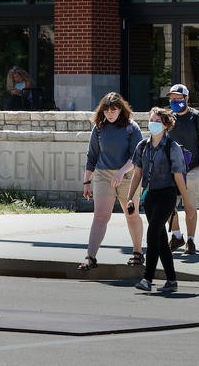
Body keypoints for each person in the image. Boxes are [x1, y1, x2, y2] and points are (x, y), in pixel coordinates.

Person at [128, 107, 192, 293]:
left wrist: (186, 202)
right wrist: (131, 197)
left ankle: (147, 278)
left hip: (167, 194)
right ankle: (171, 280)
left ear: (165, 125)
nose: (153, 124)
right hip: (151, 196)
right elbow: (137, 173)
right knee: (161, 240)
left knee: (153, 231)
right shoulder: (143, 146)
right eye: (151, 120)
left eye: (157, 121)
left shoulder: (171, 147)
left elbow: (178, 176)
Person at [78, 92, 144, 271]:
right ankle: (90, 257)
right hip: (103, 175)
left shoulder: (132, 127)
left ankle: (138, 253)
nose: (110, 114)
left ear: (121, 110)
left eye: (114, 110)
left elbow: (137, 156)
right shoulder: (99, 127)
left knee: (131, 215)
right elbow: (91, 155)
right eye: (106, 111)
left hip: (128, 175)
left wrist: (121, 172)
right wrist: (86, 182)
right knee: (100, 216)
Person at [165, 84, 199, 254]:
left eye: (178, 98)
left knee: (190, 207)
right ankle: (176, 236)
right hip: (172, 170)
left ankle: (190, 240)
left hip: (192, 169)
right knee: (168, 205)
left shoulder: (198, 118)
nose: (175, 101)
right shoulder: (168, 118)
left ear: (186, 98)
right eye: (172, 98)